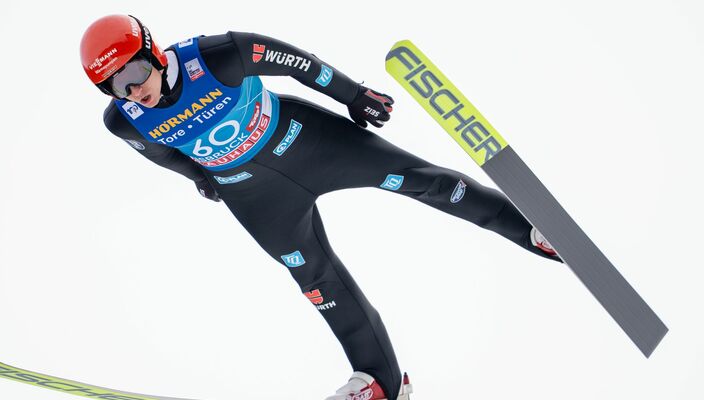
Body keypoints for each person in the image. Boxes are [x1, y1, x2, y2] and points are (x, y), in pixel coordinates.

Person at [79, 14, 560, 400]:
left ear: (154, 52)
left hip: (306, 142)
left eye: (136, 72)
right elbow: (164, 155)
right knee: (316, 281)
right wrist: (203, 179)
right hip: (254, 195)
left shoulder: (217, 55)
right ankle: (380, 382)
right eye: (116, 85)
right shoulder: (125, 121)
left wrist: (354, 95)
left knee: (421, 182)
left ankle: (531, 231)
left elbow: (296, 63)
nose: (133, 90)